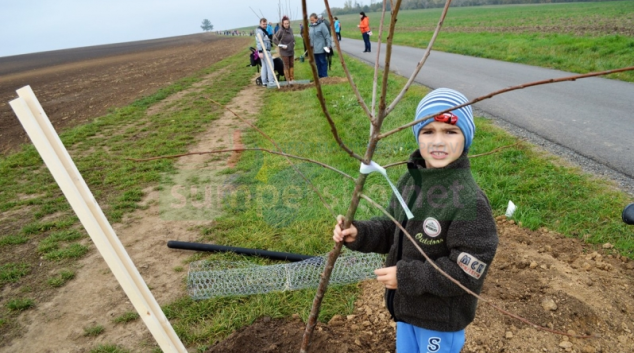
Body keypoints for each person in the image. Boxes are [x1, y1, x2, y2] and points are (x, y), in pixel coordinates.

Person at [333, 88, 498, 353]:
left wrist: (407, 277)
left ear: (466, 138)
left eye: (450, 132)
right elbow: (393, 228)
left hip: (439, 320)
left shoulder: (469, 202)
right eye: (428, 131)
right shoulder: (411, 180)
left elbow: (466, 272)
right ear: (417, 136)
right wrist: (360, 233)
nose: (438, 142)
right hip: (408, 308)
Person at [308, 13, 333, 78]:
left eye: (313, 20)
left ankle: (324, 76)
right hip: (314, 49)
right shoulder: (311, 27)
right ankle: (320, 76)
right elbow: (310, 37)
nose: (311, 21)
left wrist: (328, 45)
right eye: (310, 20)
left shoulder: (322, 25)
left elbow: (327, 35)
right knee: (317, 63)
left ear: (316, 19)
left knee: (322, 62)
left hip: (321, 48)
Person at [273, 16, 296, 83]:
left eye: (287, 23)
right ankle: (288, 79)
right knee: (286, 65)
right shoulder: (280, 31)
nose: (286, 25)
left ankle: (292, 78)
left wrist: (294, 42)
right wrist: (281, 45)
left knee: (291, 64)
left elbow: (292, 37)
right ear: (282, 24)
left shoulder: (290, 29)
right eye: (285, 23)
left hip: (291, 50)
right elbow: (274, 39)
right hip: (284, 51)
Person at [256, 18, 275, 87]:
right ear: (260, 24)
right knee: (270, 65)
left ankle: (264, 82)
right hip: (264, 51)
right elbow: (259, 42)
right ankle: (271, 81)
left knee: (264, 66)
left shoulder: (262, 31)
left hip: (264, 51)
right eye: (263, 24)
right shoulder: (260, 32)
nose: (265, 25)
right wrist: (260, 51)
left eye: (266, 24)